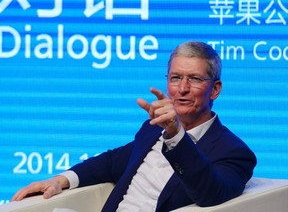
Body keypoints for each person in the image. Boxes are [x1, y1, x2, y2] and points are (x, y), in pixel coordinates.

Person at [12, 41, 257, 211]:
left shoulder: (235, 153)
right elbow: (112, 162)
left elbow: (210, 193)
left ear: (215, 89)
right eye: (175, 78)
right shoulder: (152, 128)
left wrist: (176, 135)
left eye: (194, 79)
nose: (182, 89)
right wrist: (61, 180)